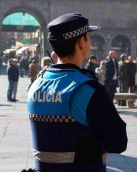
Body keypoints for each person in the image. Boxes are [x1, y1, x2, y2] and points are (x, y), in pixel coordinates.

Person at [27, 13, 127, 171]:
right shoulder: (88, 89)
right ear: (81, 42)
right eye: (89, 38)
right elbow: (118, 142)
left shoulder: (36, 84)